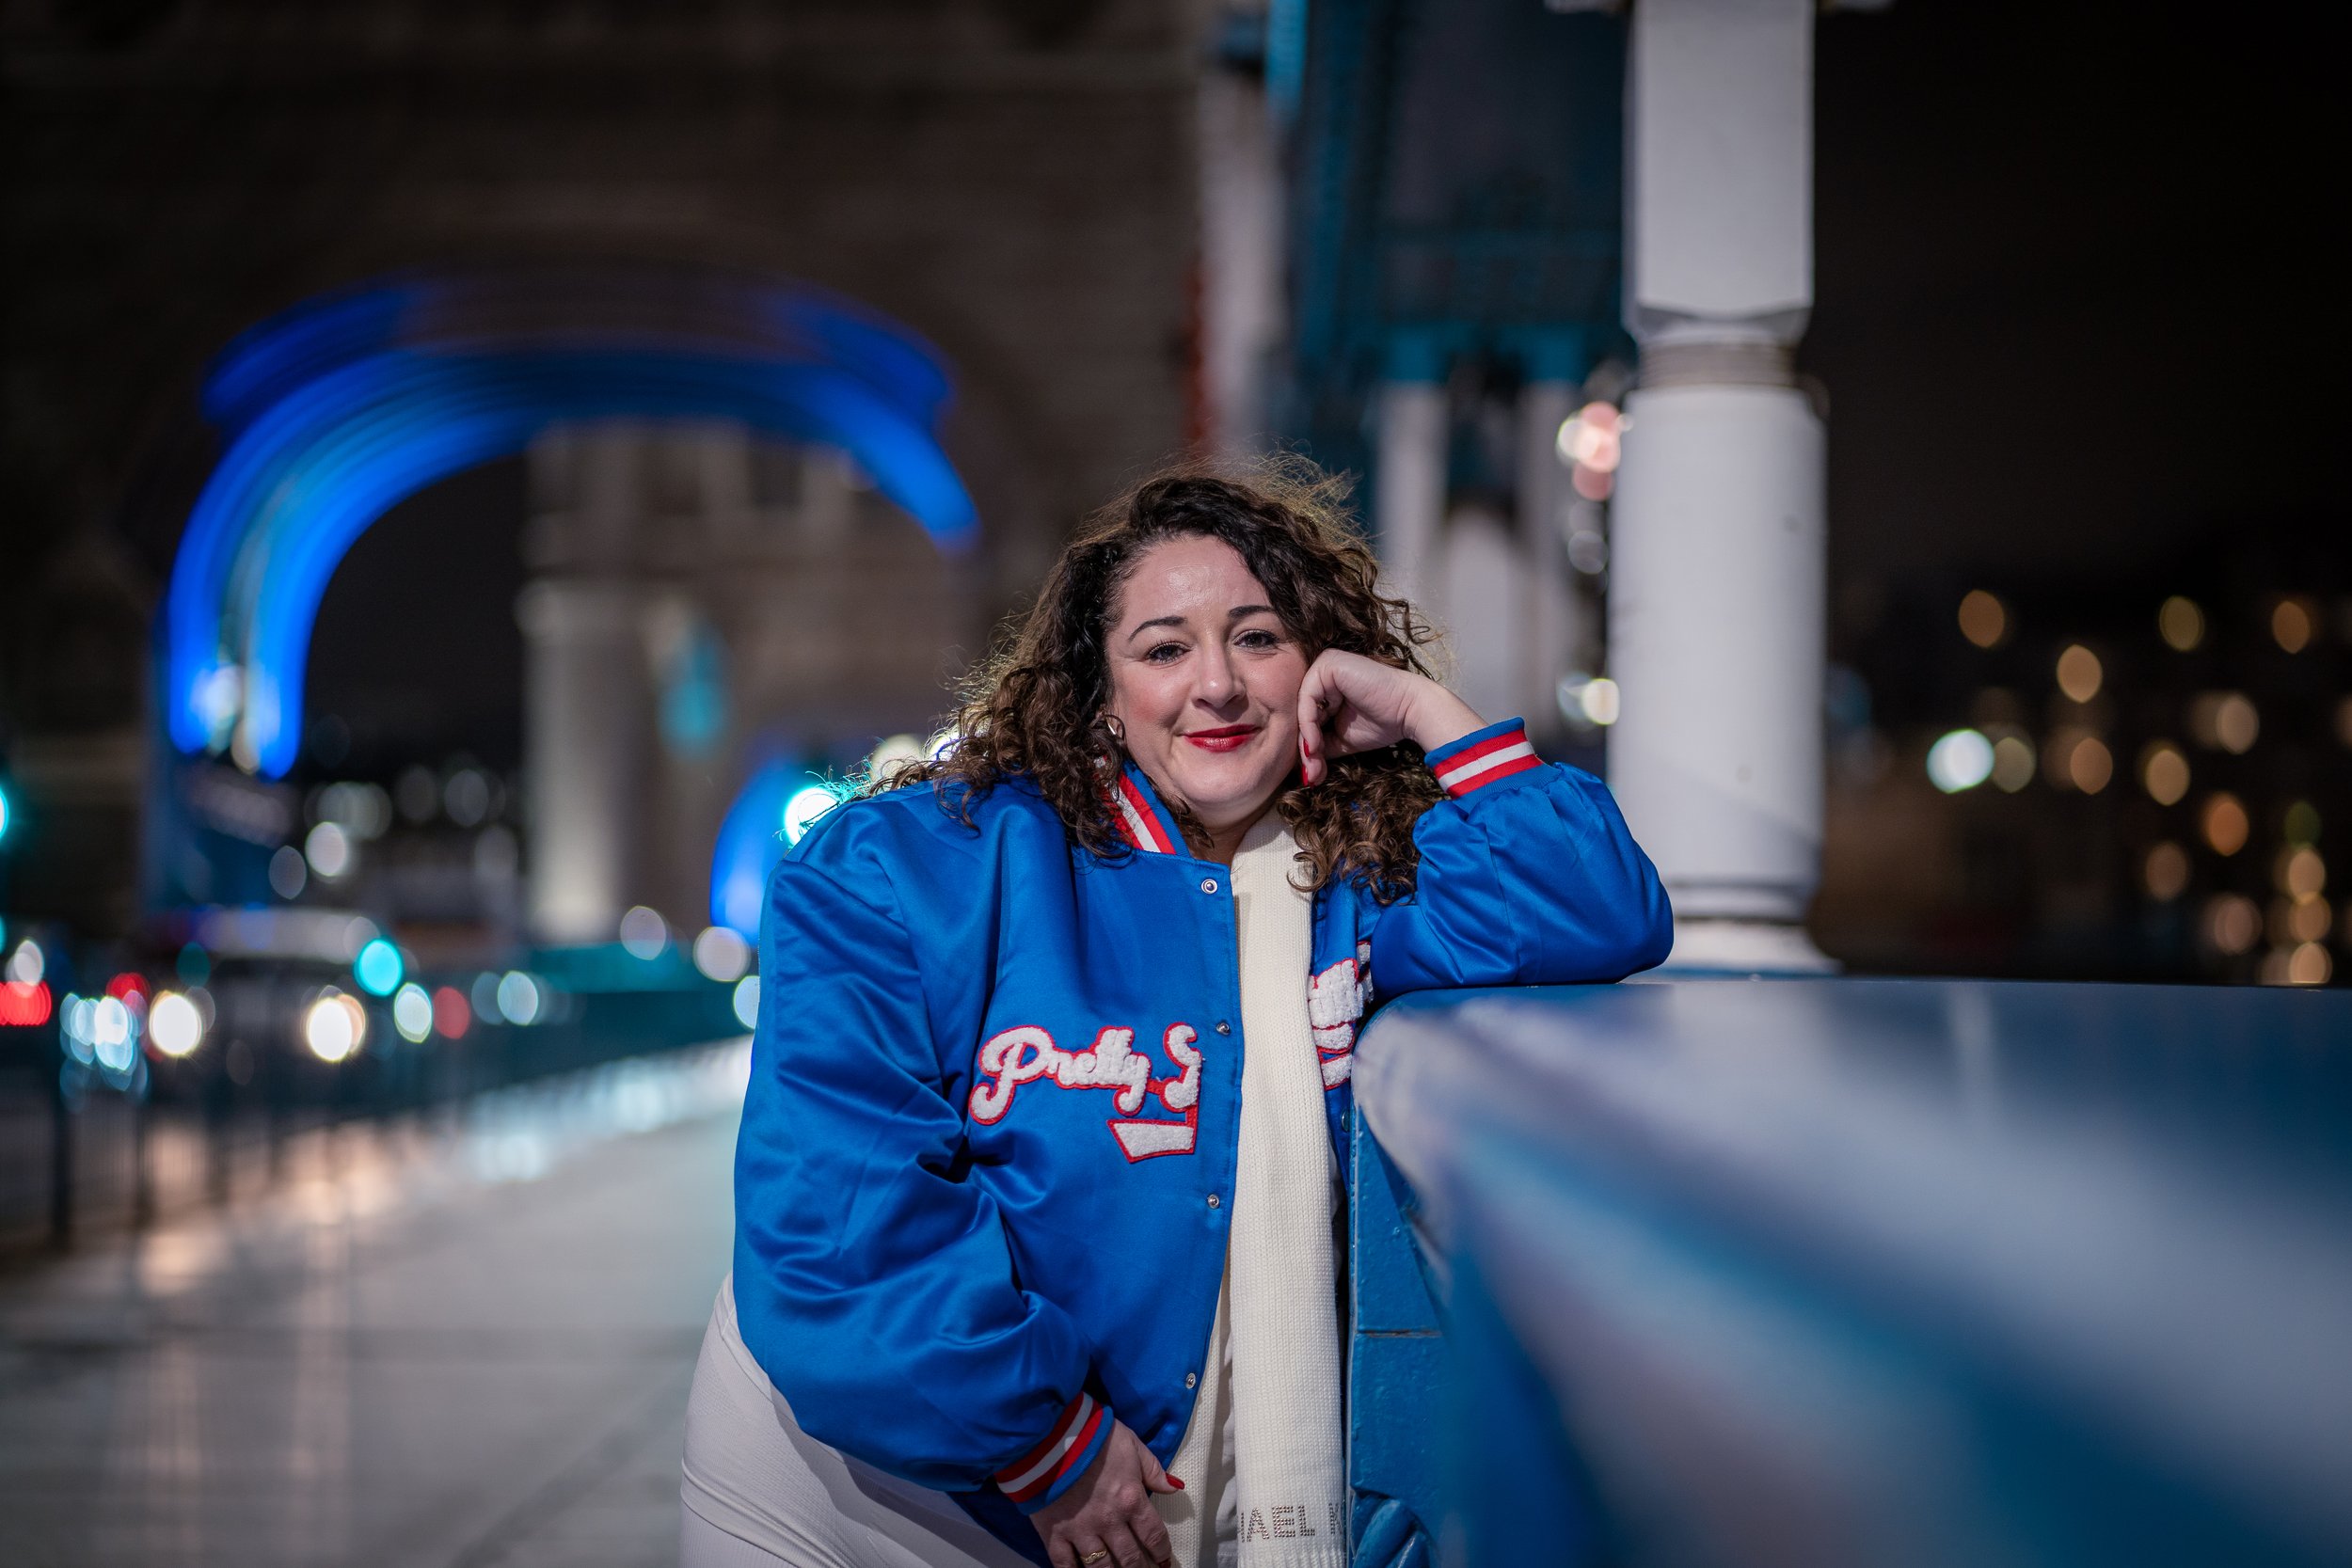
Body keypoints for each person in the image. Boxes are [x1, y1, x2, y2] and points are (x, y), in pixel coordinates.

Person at [680, 460, 1672, 1568]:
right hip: (866, 1469)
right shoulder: (915, 860)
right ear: (1097, 687)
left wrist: (1422, 709)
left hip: (1137, 1495)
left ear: (1318, 663)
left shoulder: (1361, 880)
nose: (1219, 685)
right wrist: (1041, 1436)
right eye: (1163, 648)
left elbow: (1599, 902)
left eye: (1258, 638)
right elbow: (837, 1197)